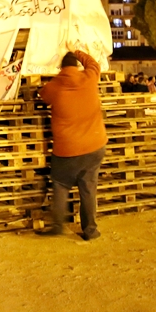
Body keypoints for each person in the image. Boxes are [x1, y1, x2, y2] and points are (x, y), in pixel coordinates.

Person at [39, 49, 107, 241]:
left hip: (67, 149)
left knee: (60, 184)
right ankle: (90, 230)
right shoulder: (89, 77)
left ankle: (58, 226)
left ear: (61, 68)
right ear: (77, 66)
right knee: (88, 188)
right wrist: (78, 50)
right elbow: (94, 64)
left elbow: (43, 95)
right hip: (94, 144)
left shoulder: (55, 86)